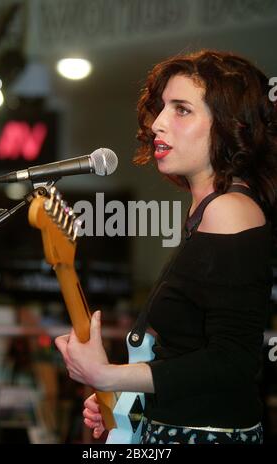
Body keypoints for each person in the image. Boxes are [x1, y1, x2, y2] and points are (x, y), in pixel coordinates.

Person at [55, 49, 277, 444]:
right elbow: (188, 357)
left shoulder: (230, 211)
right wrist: (128, 398)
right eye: (162, 108)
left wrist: (108, 375)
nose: (158, 123)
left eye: (182, 110)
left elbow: (233, 361)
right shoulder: (210, 209)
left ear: (229, 126)